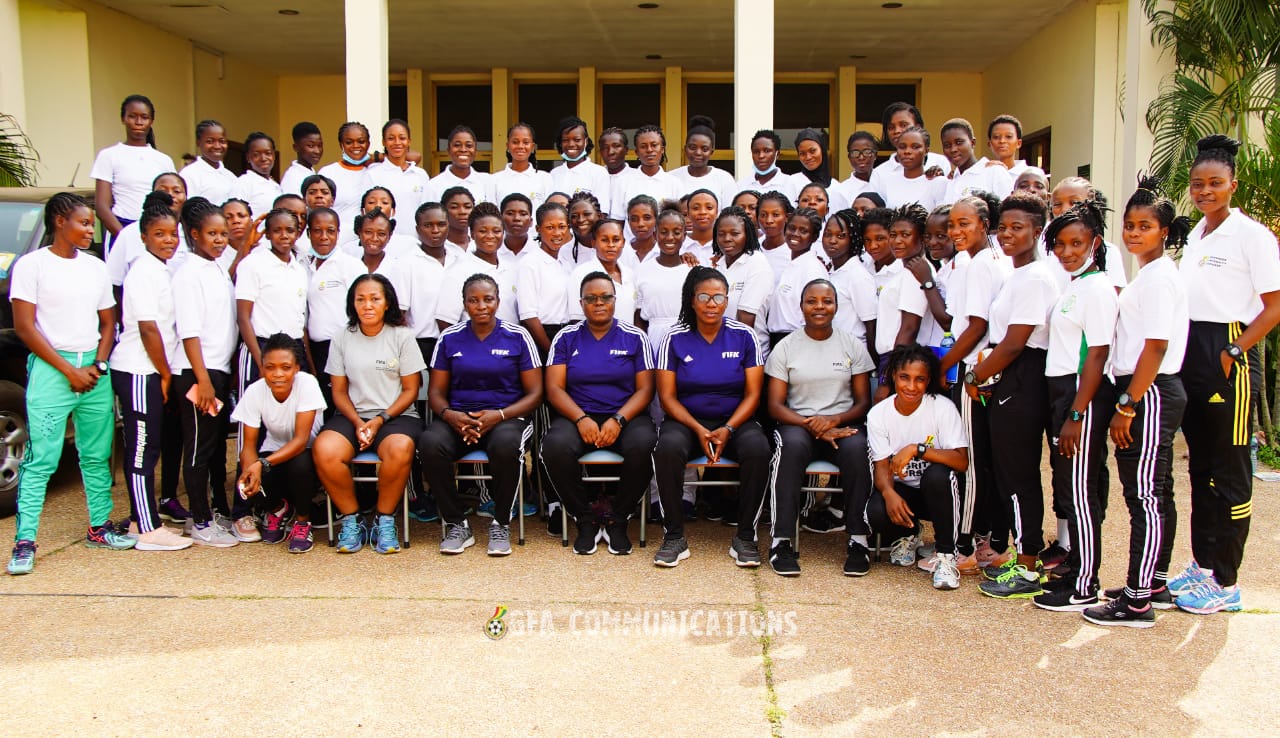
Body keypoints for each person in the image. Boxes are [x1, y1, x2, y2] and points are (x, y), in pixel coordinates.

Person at [1171, 134, 1280, 614]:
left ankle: (1226, 579)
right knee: (1200, 467)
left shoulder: (1252, 235)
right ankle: (1202, 563)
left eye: (1215, 183)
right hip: (1193, 347)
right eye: (1198, 184)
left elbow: (1274, 307)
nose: (1205, 191)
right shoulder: (1197, 234)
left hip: (1229, 348)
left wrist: (1236, 349)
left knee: (1230, 469)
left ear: (1232, 185)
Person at [1084, 178, 1191, 628]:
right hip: (1147, 388)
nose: (1133, 233)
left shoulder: (1160, 279)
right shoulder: (1147, 276)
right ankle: (1154, 582)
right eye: (1128, 225)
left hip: (1148, 389)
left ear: (1163, 231)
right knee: (1157, 492)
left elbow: (1156, 347)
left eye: (1144, 226)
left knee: (1143, 496)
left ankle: (1137, 601)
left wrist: (1127, 404)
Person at [7, 194, 133, 574]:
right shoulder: (31, 266)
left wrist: (97, 363)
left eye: (91, 223)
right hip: (52, 370)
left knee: (95, 456)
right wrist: (68, 371)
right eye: (83, 222)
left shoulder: (94, 268)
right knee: (40, 460)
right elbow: (25, 327)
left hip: (93, 369)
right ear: (60, 221)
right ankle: (24, 542)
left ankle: (100, 527)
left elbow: (109, 322)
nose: (89, 230)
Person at [966, 191, 1059, 599]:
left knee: (1018, 474)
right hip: (1007, 376)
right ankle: (1020, 558)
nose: (1007, 234)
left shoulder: (1038, 276)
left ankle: (1028, 566)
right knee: (1006, 473)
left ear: (1038, 231)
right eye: (1003, 227)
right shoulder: (1015, 273)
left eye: (1018, 228)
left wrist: (976, 374)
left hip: (1021, 378)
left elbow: (1015, 342)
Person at [652, 267, 770, 568]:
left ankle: (745, 537)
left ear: (727, 300)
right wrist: (698, 429)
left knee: (758, 450)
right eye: (703, 296)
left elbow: (754, 394)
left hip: (735, 421)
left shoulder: (744, 336)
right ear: (692, 300)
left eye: (718, 297)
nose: (711, 303)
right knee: (666, 448)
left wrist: (728, 428)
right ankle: (674, 536)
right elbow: (667, 397)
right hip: (686, 421)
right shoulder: (674, 338)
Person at [1033, 199, 1119, 612]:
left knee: (1083, 491)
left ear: (1095, 242)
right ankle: (1075, 568)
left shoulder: (1099, 288)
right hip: (1062, 391)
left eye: (1076, 243)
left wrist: (1077, 414)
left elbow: (1098, 356)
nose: (1067, 252)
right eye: (1060, 244)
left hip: (1079, 395)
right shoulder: (1075, 285)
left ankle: (1085, 584)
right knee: (1069, 484)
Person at [421, 274, 544, 556]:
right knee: (430, 444)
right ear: (464, 304)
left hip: (507, 417)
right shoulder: (450, 338)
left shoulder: (518, 336)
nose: (481, 306)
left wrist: (498, 415)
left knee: (506, 446)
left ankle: (501, 522)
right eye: (473, 300)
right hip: (459, 419)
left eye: (488, 299)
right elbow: (436, 393)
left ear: (498, 302)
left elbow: (536, 394)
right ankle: (456, 523)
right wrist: (452, 416)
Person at [542, 272, 657, 554]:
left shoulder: (635, 337)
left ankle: (619, 519)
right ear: (581, 303)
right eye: (591, 298)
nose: (599, 303)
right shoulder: (566, 338)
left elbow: (645, 390)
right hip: (578, 415)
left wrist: (618, 420)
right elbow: (554, 388)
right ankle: (584, 519)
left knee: (645, 444)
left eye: (606, 297)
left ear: (615, 300)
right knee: (554, 447)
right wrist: (581, 419)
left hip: (624, 416)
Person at [765, 279, 875, 576]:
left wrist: (834, 421)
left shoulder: (851, 343)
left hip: (841, 423)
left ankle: (858, 540)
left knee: (858, 450)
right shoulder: (786, 347)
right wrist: (812, 425)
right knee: (789, 448)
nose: (819, 307)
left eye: (826, 301)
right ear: (801, 307)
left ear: (836, 307)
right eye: (811, 301)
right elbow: (774, 405)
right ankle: (781, 541)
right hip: (797, 424)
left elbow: (864, 401)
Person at [312, 274, 425, 554]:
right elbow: (338, 391)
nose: (368, 305)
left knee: (399, 448)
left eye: (375, 298)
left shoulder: (402, 336)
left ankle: (384, 521)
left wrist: (379, 421)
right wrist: (358, 422)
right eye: (360, 299)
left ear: (387, 303)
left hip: (395, 416)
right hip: (353, 415)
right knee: (324, 449)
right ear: (352, 304)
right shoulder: (342, 337)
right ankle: (353, 520)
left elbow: (412, 389)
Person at [109, 201, 191, 551]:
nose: (168, 241)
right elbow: (148, 329)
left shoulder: (162, 269)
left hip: (151, 370)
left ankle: (137, 518)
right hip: (140, 369)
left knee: (149, 444)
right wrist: (164, 374)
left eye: (172, 234)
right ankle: (146, 527)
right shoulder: (142, 270)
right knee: (143, 447)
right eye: (159, 234)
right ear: (143, 237)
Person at [938, 192, 1012, 573]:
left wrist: (945, 365)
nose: (955, 230)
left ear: (985, 224)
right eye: (952, 224)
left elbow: (976, 326)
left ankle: (964, 545)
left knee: (972, 460)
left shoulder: (982, 264)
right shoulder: (977, 260)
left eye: (964, 223)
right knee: (985, 458)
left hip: (974, 370)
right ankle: (990, 536)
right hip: (980, 368)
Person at [865, 345, 969, 590]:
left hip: (943, 495)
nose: (911, 386)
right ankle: (911, 533)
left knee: (936, 475)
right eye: (904, 378)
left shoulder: (942, 407)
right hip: (908, 493)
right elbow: (880, 466)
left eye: (919, 379)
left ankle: (946, 556)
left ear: (928, 380)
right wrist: (889, 494)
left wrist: (917, 449)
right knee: (876, 509)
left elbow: (961, 461)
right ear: (893, 376)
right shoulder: (879, 414)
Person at [172, 198, 239, 547]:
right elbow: (189, 332)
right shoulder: (187, 274)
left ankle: (215, 511)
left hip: (218, 370)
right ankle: (199, 521)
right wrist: (202, 381)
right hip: (200, 372)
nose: (219, 240)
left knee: (214, 450)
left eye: (223, 234)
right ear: (194, 233)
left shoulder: (214, 268)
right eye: (212, 233)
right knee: (198, 448)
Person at [233, 334, 326, 553]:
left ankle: (303, 522)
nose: (277, 374)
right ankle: (277, 509)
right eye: (270, 367)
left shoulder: (307, 383)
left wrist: (262, 464)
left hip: (307, 454)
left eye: (285, 367)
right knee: (247, 472)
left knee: (299, 463)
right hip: (274, 451)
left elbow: (301, 441)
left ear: (296, 369)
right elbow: (248, 445)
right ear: (262, 368)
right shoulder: (255, 391)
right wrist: (250, 470)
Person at [304, 206, 365, 415]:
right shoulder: (302, 264)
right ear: (308, 233)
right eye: (317, 230)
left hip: (344, 346)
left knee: (342, 406)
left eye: (330, 230)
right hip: (314, 349)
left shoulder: (351, 265)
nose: (324, 237)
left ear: (338, 233)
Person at [92, 95, 175, 243]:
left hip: (157, 231)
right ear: (123, 118)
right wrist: (126, 238)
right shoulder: (109, 156)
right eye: (132, 116)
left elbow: (173, 202)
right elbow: (101, 207)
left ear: (151, 121)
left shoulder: (164, 161)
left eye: (144, 117)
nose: (138, 122)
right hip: (121, 229)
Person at [435, 202, 519, 329]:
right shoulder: (459, 271)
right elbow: (445, 321)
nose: (490, 236)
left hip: (510, 344)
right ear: (472, 234)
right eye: (483, 231)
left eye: (496, 231)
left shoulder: (512, 268)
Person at [711, 205, 775, 358]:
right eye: (721, 234)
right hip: (718, 349)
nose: (727, 239)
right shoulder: (718, 265)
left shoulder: (756, 264)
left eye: (735, 233)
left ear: (748, 234)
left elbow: (746, 318)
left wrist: (735, 357)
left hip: (745, 354)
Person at [1048, 177, 1128, 291]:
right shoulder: (1048, 250)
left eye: (1074, 202)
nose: (1065, 209)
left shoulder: (1108, 251)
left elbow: (1113, 298)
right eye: (1057, 204)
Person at [516, 201, 574, 357]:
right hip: (542, 337)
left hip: (566, 334)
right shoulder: (530, 263)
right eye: (550, 227)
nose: (557, 233)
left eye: (562, 227)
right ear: (538, 229)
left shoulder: (566, 262)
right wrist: (551, 351)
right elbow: (529, 315)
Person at [766, 208, 828, 346]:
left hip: (798, 341)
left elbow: (816, 315)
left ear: (814, 237)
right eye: (792, 228)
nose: (795, 234)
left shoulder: (813, 269)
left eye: (803, 231)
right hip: (779, 340)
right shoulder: (792, 265)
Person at [636, 207, 694, 348]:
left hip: (688, 337)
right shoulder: (643, 269)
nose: (669, 237)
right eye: (663, 232)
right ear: (655, 234)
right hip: (654, 337)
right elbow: (638, 315)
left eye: (676, 232)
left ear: (684, 235)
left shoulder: (692, 269)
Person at [822, 208, 878, 351]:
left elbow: (871, 325)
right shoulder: (829, 271)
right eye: (828, 234)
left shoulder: (857, 276)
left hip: (852, 353)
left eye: (840, 236)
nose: (832, 241)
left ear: (852, 239)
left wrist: (872, 368)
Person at [367, 119, 431, 239]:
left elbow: (427, 211)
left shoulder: (420, 175)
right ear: (384, 142)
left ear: (409, 141)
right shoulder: (373, 174)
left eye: (402, 138)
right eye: (391, 138)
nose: (397, 143)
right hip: (384, 243)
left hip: (416, 243)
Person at [318, 122, 374, 249]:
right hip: (337, 244)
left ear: (368, 144)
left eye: (361, 141)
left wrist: (377, 157)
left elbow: (412, 157)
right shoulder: (328, 172)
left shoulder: (375, 171)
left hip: (368, 245)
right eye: (349, 142)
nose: (356, 146)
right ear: (341, 145)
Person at [569, 219, 637, 323]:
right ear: (594, 243)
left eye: (616, 239)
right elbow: (576, 319)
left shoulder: (630, 274)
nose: (611, 245)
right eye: (604, 240)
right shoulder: (581, 273)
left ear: (623, 242)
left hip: (627, 338)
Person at [869, 127, 946, 210]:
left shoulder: (938, 183)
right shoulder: (888, 181)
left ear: (926, 151)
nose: (907, 151)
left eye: (915, 147)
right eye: (902, 147)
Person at [940, 118, 1013, 204]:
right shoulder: (951, 180)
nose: (953, 149)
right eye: (947, 145)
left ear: (973, 143)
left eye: (959, 142)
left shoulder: (995, 172)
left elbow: (1008, 211)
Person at [549, 117, 611, 214]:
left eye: (577, 140)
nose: (571, 144)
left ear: (585, 141)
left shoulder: (598, 173)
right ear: (560, 143)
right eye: (565, 140)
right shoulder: (554, 174)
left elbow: (602, 212)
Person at [669, 115, 736, 206]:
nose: (698, 153)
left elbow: (729, 214)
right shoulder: (672, 178)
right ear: (685, 149)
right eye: (692, 147)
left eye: (704, 149)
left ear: (711, 152)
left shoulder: (724, 179)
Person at [872, 102, 950, 177]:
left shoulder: (940, 162)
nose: (897, 131)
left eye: (903, 125)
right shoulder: (879, 173)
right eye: (891, 127)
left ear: (918, 127)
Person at [491, 122, 553, 212]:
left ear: (532, 147)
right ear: (507, 146)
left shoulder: (545, 179)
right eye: (515, 142)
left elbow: (549, 213)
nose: (520, 146)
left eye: (526, 142)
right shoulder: (494, 180)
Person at [426, 125, 492, 205]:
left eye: (469, 145)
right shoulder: (434, 186)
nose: (463, 150)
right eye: (457, 145)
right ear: (448, 150)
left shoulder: (487, 182)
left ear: (475, 151)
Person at [180, 120, 237, 206]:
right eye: (210, 141)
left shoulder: (231, 177)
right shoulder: (189, 174)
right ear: (198, 143)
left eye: (222, 141)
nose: (217, 146)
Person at [735, 130, 799, 203]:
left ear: (777, 154)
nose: (761, 156)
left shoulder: (791, 183)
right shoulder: (741, 185)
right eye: (756, 152)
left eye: (767, 151)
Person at [231, 132, 283, 220]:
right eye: (256, 154)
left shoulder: (275, 186)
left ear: (274, 155)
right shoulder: (243, 183)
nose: (263, 158)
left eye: (268, 153)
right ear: (248, 157)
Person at [831, 131, 877, 208]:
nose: (861, 157)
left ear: (875, 155)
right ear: (849, 157)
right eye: (855, 153)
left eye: (867, 152)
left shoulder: (885, 182)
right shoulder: (841, 191)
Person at [598, 127, 636, 219]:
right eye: (605, 148)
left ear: (626, 150)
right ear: (600, 152)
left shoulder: (637, 178)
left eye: (616, 146)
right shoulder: (595, 177)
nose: (610, 152)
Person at [280, 121, 324, 196]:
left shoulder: (310, 171)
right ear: (296, 147)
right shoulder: (292, 178)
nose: (317, 151)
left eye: (320, 145)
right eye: (310, 146)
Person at [757, 190, 795, 275]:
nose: (769, 221)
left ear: (787, 217)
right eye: (763, 215)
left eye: (776, 215)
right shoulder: (753, 249)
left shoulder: (793, 252)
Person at [790, 128, 833, 199]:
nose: (808, 157)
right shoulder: (792, 183)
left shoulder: (837, 187)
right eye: (802, 153)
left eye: (812, 151)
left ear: (822, 150)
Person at [499, 193, 536, 264]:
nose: (516, 218)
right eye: (510, 213)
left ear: (531, 221)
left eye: (523, 214)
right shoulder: (491, 252)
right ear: (500, 219)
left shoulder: (540, 253)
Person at [441, 185, 476, 251]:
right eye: (454, 207)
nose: (462, 212)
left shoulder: (480, 244)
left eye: (467, 207)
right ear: (444, 211)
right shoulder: (438, 247)